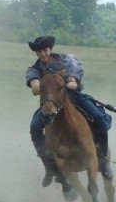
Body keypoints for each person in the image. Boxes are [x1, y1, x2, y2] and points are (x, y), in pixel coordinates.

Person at [25, 35, 112, 186]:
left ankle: (103, 161)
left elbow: (74, 82)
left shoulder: (67, 60)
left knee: (99, 119)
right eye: (39, 52)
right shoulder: (34, 69)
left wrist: (66, 82)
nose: (42, 54)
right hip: (50, 103)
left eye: (45, 50)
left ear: (50, 49)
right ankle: (49, 166)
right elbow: (35, 88)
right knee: (34, 127)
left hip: (74, 98)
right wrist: (45, 85)